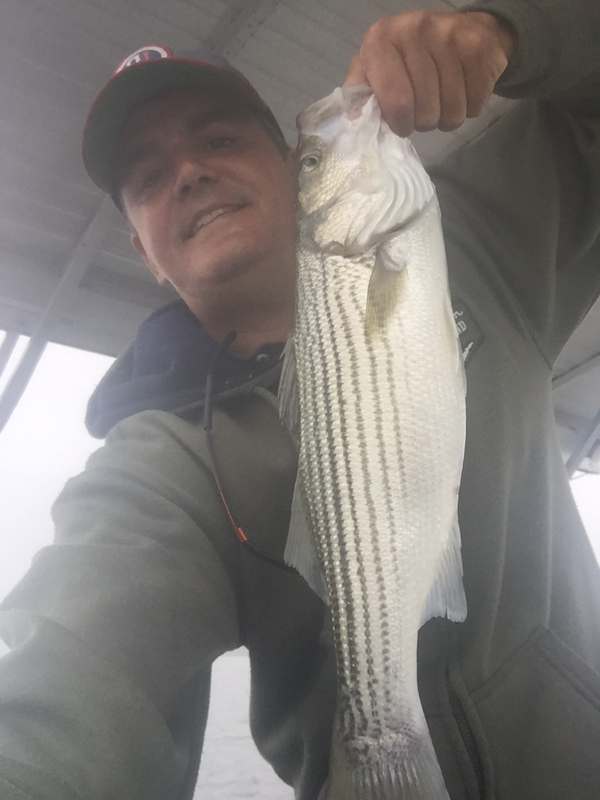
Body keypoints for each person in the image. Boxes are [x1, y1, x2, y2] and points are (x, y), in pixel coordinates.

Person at [1, 0, 600, 798]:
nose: (189, 172)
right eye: (148, 178)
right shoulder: (159, 464)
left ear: (290, 168)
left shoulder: (475, 242)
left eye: (219, 139)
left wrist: (513, 31)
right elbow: (67, 672)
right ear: (145, 253)